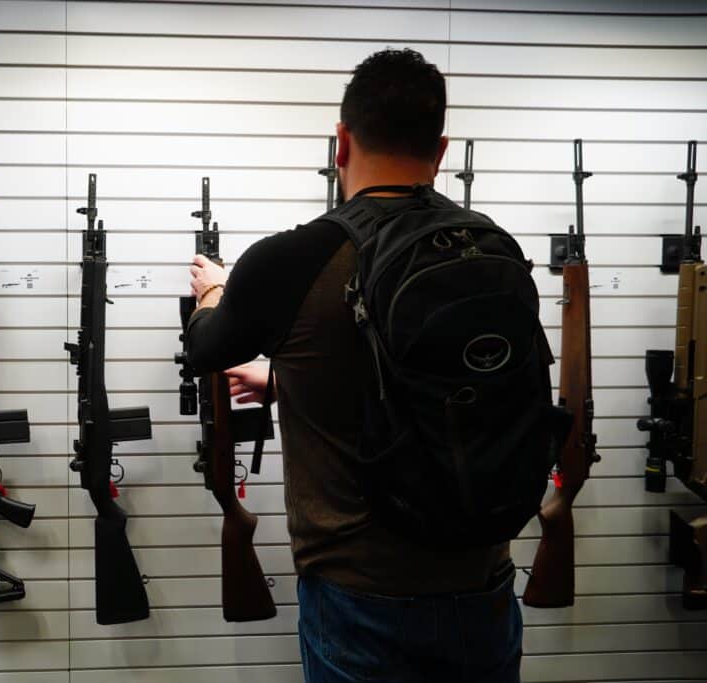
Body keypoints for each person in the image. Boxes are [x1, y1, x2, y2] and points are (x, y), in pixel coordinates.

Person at [184, 49, 522, 683]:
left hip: (360, 593)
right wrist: (284, 380)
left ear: (340, 142)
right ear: (441, 149)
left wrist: (215, 291)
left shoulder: (296, 257)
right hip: (486, 582)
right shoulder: (489, 245)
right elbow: (419, 378)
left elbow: (205, 349)